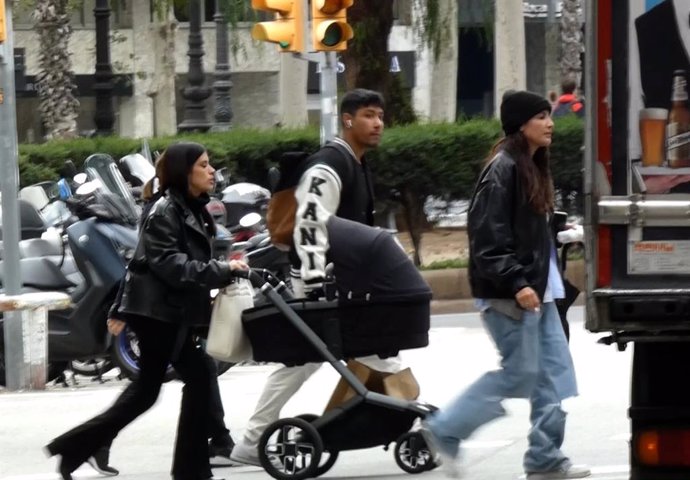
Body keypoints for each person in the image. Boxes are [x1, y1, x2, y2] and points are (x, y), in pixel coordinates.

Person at [44, 142, 248, 480]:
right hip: (156, 312)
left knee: (188, 379)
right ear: (185, 172)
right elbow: (168, 265)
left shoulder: (189, 207)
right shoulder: (165, 210)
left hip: (169, 310)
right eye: (204, 165)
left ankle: (85, 448)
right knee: (155, 389)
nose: (211, 171)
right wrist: (223, 270)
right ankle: (78, 446)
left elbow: (142, 261)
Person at [420, 90, 591, 480]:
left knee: (554, 376)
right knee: (521, 374)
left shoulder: (530, 165)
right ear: (520, 124)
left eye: (549, 115)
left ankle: (545, 459)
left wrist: (560, 235)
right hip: (511, 296)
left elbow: (525, 229)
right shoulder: (503, 168)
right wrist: (516, 282)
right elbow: (488, 238)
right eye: (541, 116)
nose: (550, 123)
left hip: (541, 292)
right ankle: (444, 429)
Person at [230, 88, 401, 466]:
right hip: (321, 281)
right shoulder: (329, 165)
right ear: (347, 120)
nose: (378, 123)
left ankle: (255, 440)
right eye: (369, 115)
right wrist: (313, 285)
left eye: (380, 117)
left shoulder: (355, 163)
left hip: (342, 281)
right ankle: (412, 423)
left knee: (305, 360)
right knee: (341, 353)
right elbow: (309, 225)